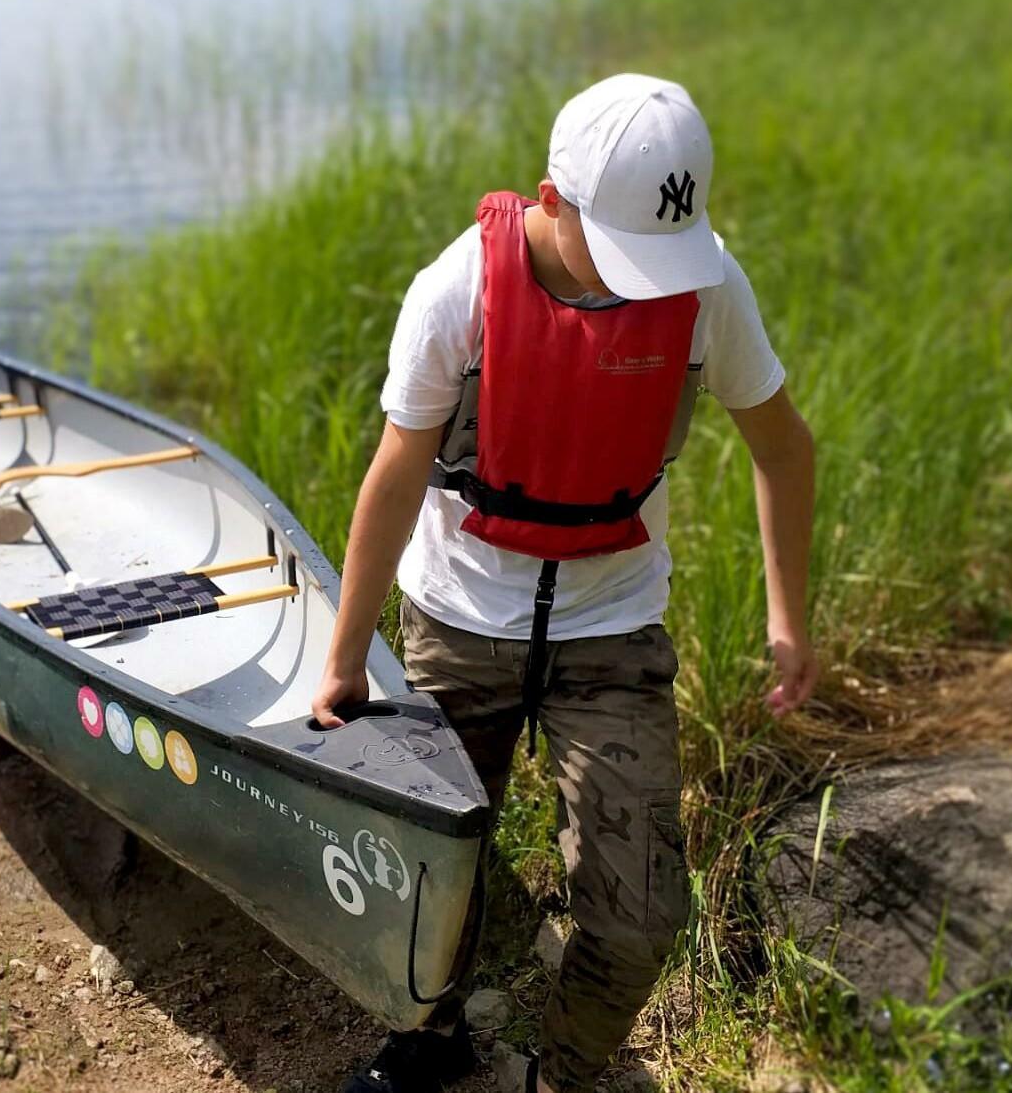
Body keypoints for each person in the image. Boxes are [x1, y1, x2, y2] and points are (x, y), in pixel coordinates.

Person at [314, 74, 817, 1093]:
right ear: (551, 200)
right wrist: (342, 660)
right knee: (428, 875)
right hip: (460, 616)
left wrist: (786, 618)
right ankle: (431, 1032)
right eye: (624, 252)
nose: (646, 282)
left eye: (660, 256)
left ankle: (570, 1069)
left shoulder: (706, 284)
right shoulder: (457, 290)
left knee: (641, 917)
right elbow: (397, 473)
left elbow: (785, 448)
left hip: (614, 627)